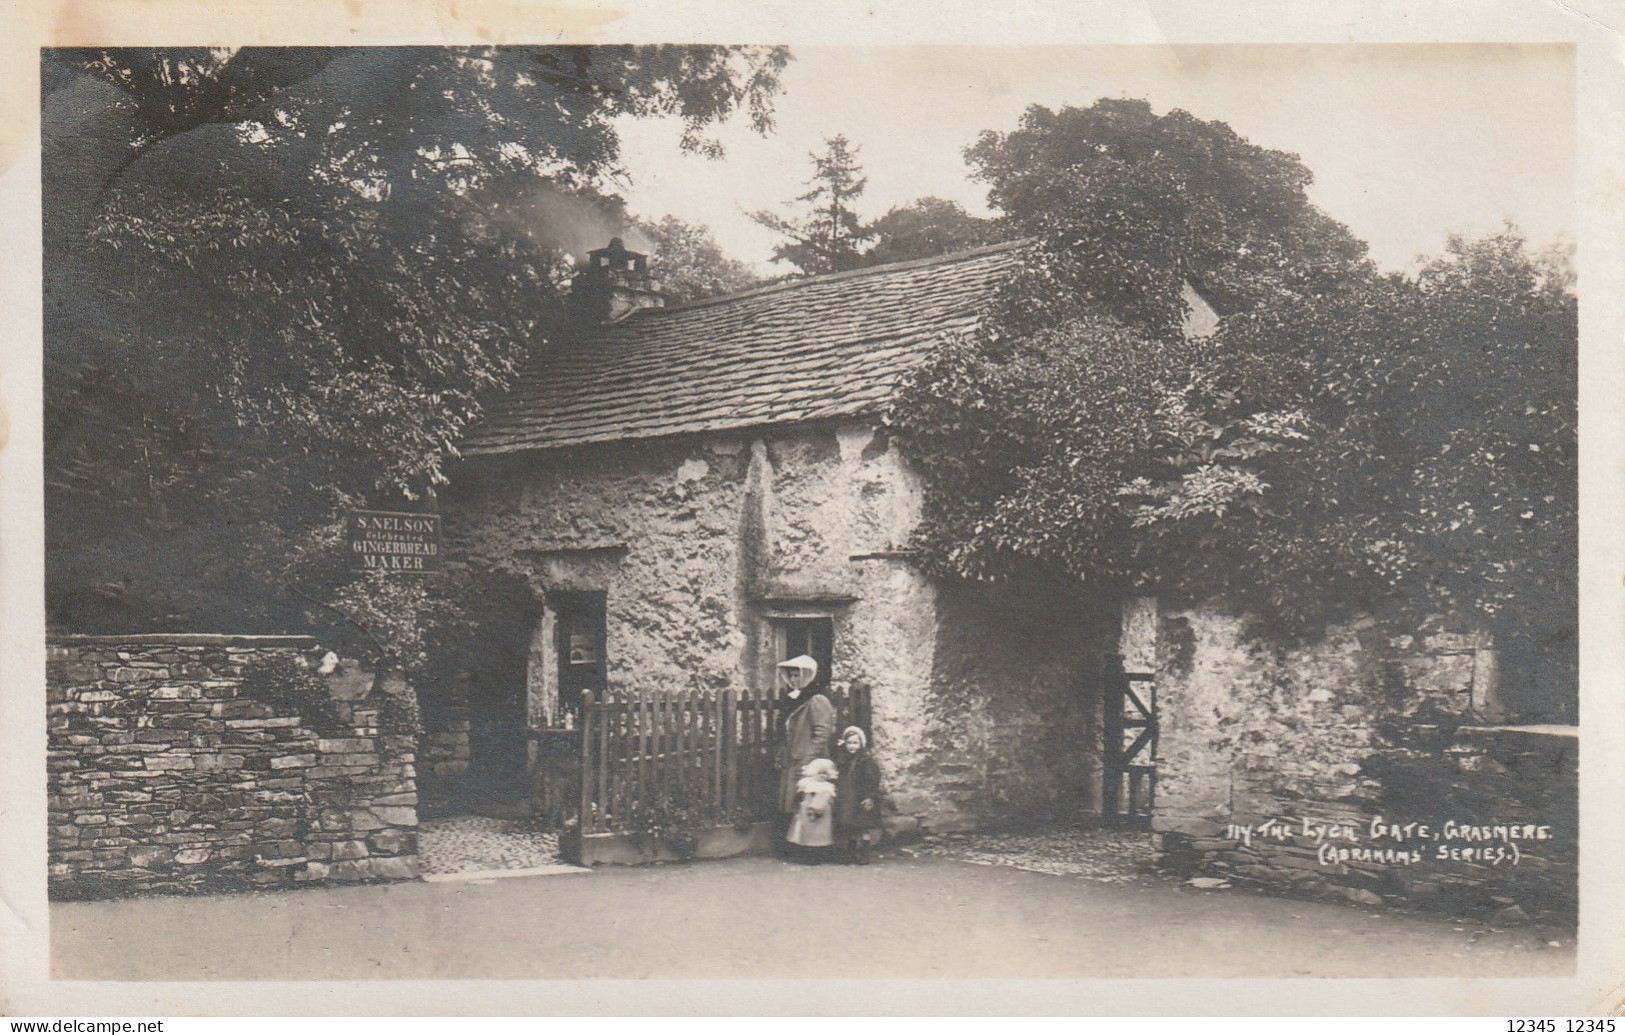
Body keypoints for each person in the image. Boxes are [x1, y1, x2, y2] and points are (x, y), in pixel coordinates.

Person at [775, 658, 835, 844]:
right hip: (793, 758)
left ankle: (813, 849)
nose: (793, 680)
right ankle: (795, 846)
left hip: (810, 762)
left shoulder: (817, 699)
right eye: (791, 676)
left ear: (808, 676)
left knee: (811, 806)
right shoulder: (793, 699)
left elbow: (822, 733)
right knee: (796, 807)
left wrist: (809, 760)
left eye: (797, 675)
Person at [834, 725, 883, 864]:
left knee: (863, 826)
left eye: (855, 743)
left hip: (861, 796)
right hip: (848, 797)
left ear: (861, 744)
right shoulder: (843, 760)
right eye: (849, 743)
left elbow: (872, 779)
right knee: (851, 825)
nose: (852, 746)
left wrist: (869, 796)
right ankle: (850, 851)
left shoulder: (866, 761)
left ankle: (865, 852)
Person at [785, 758, 839, 863]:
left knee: (819, 834)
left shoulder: (827, 787)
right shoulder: (807, 784)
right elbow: (801, 796)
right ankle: (804, 854)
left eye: (825, 774)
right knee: (805, 832)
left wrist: (819, 807)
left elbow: (828, 799)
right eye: (819, 773)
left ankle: (817, 855)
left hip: (822, 812)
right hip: (806, 810)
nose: (822, 776)